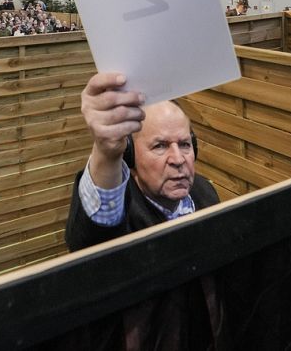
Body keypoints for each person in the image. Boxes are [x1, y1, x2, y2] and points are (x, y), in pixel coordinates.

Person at [65, 73, 220, 251]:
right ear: (130, 155)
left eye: (184, 144)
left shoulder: (205, 192)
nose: (178, 159)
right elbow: (95, 238)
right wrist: (106, 153)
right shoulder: (122, 214)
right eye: (160, 146)